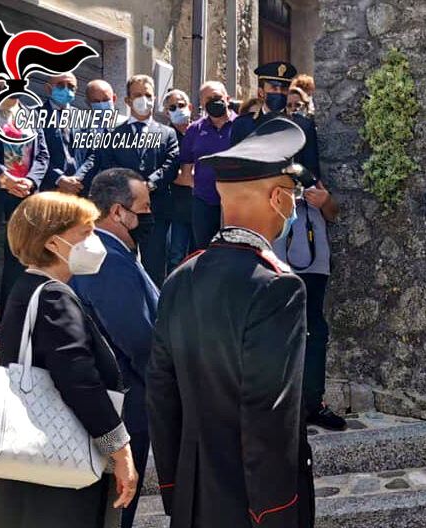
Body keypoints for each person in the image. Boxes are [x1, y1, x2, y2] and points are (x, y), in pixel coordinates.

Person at [147, 117, 314, 528]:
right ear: (277, 196)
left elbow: (161, 394)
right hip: (250, 500)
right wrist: (273, 512)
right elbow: (269, 412)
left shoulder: (180, 277)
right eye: (292, 195)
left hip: (192, 492)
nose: (293, 206)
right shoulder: (278, 287)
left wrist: (174, 487)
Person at [0, 191, 138, 528]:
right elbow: (79, 380)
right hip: (60, 466)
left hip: (32, 462)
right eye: (85, 234)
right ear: (54, 244)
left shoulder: (27, 287)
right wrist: (120, 448)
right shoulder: (53, 295)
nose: (94, 242)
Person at [70, 168, 158, 528]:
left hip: (120, 404)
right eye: (144, 207)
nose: (151, 215)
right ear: (118, 212)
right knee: (114, 512)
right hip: (123, 408)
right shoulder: (106, 259)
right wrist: (167, 385)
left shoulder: (111, 252)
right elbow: (137, 338)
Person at [273, 76, 345, 430]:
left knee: (315, 330)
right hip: (276, 258)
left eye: (299, 105)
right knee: (278, 330)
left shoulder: (314, 170)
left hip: (314, 260)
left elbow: (332, 213)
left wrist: (324, 200)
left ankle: (313, 402)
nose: (294, 111)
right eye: (288, 104)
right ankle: (281, 406)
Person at [0, 83, 50, 346]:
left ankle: (9, 318)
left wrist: (32, 182)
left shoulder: (30, 113)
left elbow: (43, 154)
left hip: (24, 193)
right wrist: (3, 176)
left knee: (18, 254)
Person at [97, 74, 180, 285]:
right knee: (121, 263)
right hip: (122, 212)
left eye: (148, 95)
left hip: (156, 211)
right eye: (138, 95)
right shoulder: (114, 134)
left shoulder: (168, 133)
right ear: (127, 100)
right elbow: (108, 166)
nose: (144, 99)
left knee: (155, 266)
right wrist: (130, 187)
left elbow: (171, 163)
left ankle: (156, 312)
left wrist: (148, 184)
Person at [179, 81, 235, 250]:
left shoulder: (241, 126)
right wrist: (198, 187)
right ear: (202, 104)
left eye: (217, 97)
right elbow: (186, 168)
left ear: (227, 98)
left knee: (233, 251)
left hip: (236, 203)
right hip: (204, 202)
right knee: (204, 251)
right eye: (208, 99)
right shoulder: (194, 130)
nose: (214, 101)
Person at [72, 79, 126, 192]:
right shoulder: (81, 128)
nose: (102, 105)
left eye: (106, 100)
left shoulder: (127, 125)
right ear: (88, 103)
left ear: (114, 99)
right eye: (96, 101)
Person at [162, 88, 195, 269]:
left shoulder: (199, 131)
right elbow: (169, 172)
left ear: (190, 107)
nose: (178, 110)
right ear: (167, 112)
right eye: (172, 107)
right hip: (177, 209)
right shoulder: (165, 135)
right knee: (176, 256)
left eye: (181, 105)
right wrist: (191, 179)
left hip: (200, 206)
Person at [229, 61, 297, 146]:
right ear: (261, 92)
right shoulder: (243, 125)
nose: (279, 92)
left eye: (284, 88)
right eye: (274, 88)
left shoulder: (301, 125)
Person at [39, 72, 83, 194]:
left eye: (70, 86)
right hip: (48, 189)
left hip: (79, 188)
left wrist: (78, 177)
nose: (66, 89)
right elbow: (34, 154)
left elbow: (91, 154)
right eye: (60, 85)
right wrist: (59, 178)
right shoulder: (35, 115)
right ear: (48, 88)